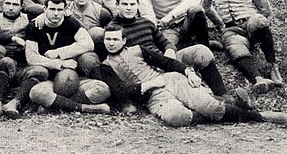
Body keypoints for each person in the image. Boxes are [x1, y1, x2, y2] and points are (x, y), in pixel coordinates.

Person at [89, 24, 287, 127]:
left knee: (208, 106)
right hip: (153, 96)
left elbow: (167, 62)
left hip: (172, 81)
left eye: (116, 39)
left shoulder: (138, 50)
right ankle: (235, 106)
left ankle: (262, 117)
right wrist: (150, 85)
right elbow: (121, 91)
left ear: (124, 40)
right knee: (178, 117)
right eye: (108, 39)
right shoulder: (105, 66)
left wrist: (187, 71)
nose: (111, 43)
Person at [107, 0, 230, 100]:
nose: (129, 8)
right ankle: (220, 102)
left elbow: (164, 42)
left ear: (138, 6)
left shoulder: (146, 23)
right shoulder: (113, 30)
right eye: (125, 4)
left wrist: (169, 50)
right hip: (148, 71)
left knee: (201, 51)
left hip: (166, 61)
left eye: (132, 4)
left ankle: (222, 94)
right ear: (117, 5)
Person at [201, 0, 283, 92]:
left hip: (250, 22)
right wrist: (219, 24)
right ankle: (258, 79)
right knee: (234, 47)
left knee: (259, 20)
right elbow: (205, 7)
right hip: (231, 29)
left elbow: (265, 9)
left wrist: (255, 23)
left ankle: (273, 67)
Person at [25, 0, 111, 115]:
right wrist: (60, 63)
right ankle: (84, 108)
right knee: (36, 92)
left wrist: (59, 52)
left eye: (59, 10)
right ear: (45, 9)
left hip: (74, 78)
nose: (56, 13)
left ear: (65, 9)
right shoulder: (34, 26)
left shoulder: (70, 23)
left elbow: (88, 44)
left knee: (103, 89)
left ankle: (56, 105)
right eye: (52, 9)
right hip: (50, 79)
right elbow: (31, 57)